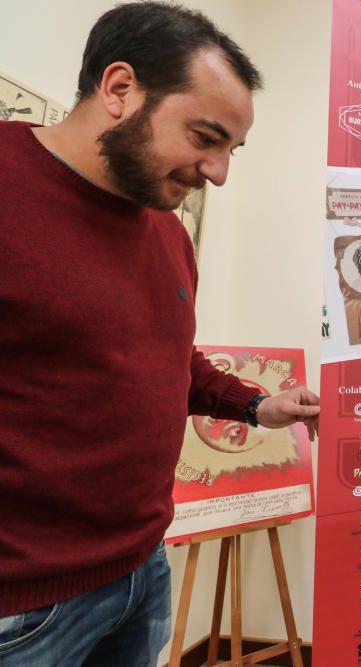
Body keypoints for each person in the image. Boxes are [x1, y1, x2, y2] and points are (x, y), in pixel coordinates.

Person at [0, 4, 320, 666]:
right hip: (23, 608)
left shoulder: (169, 232)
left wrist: (259, 406)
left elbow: (168, 357)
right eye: (205, 137)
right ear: (120, 89)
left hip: (144, 571)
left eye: (231, 149)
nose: (219, 171)